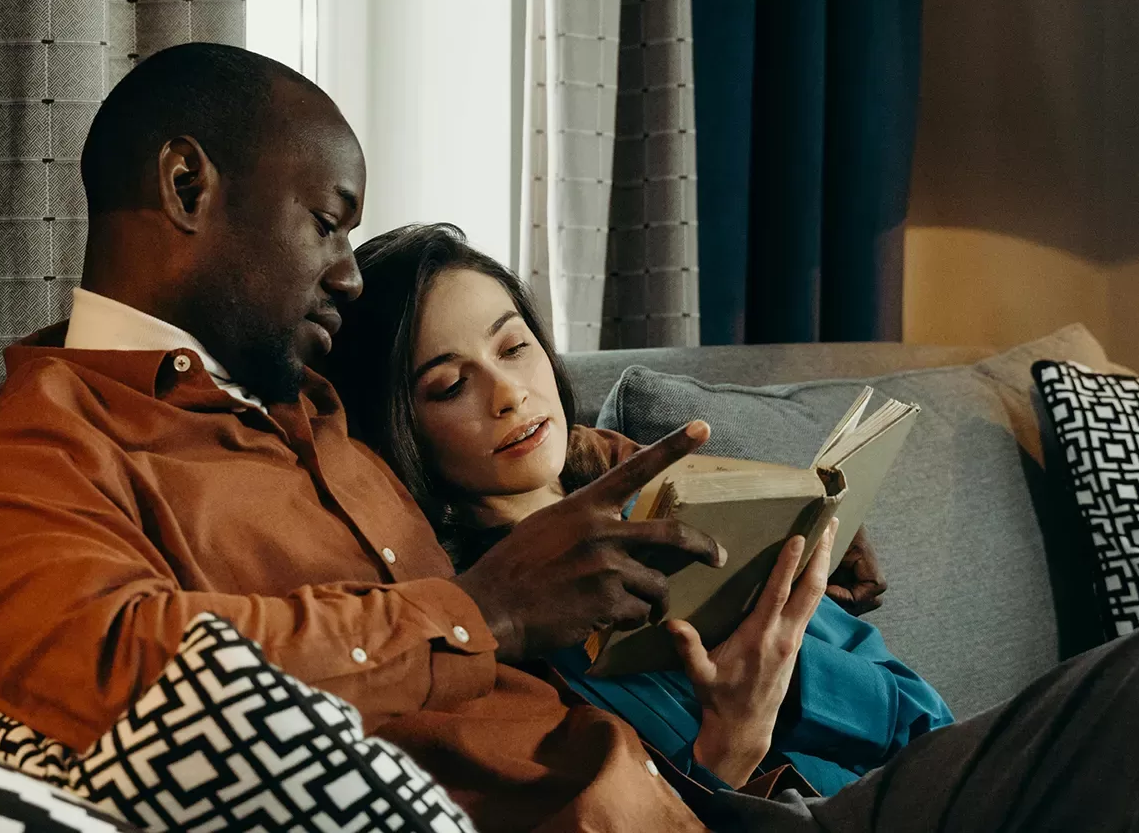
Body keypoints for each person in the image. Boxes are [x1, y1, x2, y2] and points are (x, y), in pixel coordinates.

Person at [0, 41, 1139, 832]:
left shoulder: (319, 429)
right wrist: (481, 607)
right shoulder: (36, 450)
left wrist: (724, 551)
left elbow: (487, 599)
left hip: (719, 804)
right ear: (186, 185)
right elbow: (120, 673)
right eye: (329, 223)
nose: (349, 271)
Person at [320, 222, 953, 797]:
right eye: (450, 385)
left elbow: (931, 721)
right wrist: (729, 744)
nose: (510, 393)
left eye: (513, 348)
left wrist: (786, 669)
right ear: (399, 430)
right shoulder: (495, 640)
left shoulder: (694, 521)